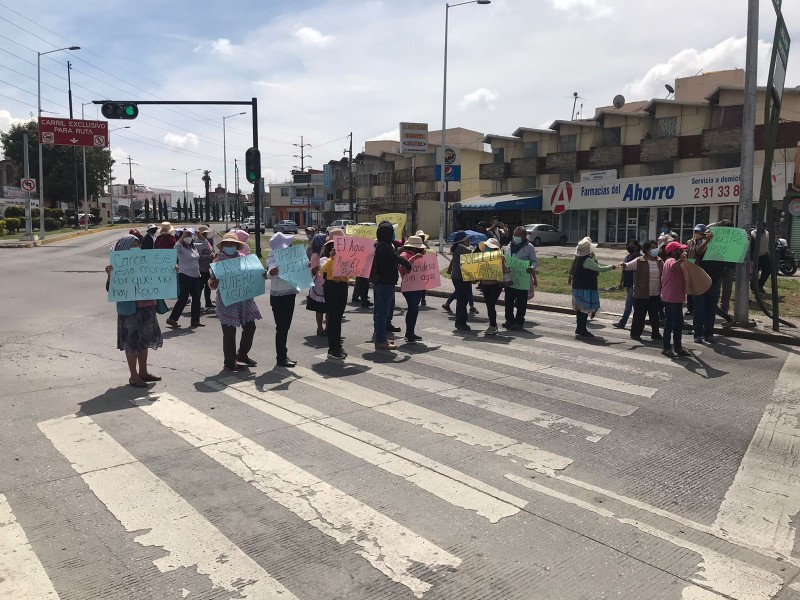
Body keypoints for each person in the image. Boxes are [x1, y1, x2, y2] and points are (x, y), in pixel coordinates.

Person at [106, 234, 165, 387]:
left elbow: (160, 278)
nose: (137, 247)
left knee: (145, 341)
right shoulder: (118, 266)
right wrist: (110, 276)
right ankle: (133, 376)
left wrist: (171, 271)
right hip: (130, 310)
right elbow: (110, 289)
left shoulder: (147, 262)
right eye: (133, 244)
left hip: (148, 306)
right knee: (132, 343)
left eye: (139, 244)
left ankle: (143, 372)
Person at [209, 232, 262, 371]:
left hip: (244, 299)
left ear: (237, 246)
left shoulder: (244, 258)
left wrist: (261, 275)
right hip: (227, 301)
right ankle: (229, 362)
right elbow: (211, 282)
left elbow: (253, 276)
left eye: (232, 244)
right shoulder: (218, 261)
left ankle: (242, 354)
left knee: (250, 327)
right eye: (227, 244)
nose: (230, 246)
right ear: (223, 246)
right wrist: (214, 283)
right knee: (229, 332)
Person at [371, 221, 412, 350]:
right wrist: (407, 264)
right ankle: (381, 340)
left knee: (379, 311)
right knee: (383, 312)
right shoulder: (385, 246)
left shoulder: (380, 245)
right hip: (385, 282)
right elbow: (396, 257)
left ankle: (381, 336)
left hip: (381, 282)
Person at [570, 237, 617, 338]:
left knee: (580, 310)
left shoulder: (579, 258)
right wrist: (611, 267)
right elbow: (599, 268)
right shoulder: (587, 260)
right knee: (584, 309)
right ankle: (583, 329)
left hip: (578, 286)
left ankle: (579, 328)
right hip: (585, 287)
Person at [266, 232, 300, 367]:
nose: (290, 245)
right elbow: (270, 271)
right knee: (282, 328)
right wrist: (273, 272)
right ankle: (281, 357)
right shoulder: (273, 257)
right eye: (287, 244)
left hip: (290, 294)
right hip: (279, 296)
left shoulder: (291, 256)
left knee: (285, 327)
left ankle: (283, 355)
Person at [620, 240, 663, 343]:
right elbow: (628, 266)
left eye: (656, 247)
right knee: (639, 315)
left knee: (654, 316)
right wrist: (622, 265)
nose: (656, 249)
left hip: (655, 293)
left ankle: (655, 333)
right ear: (647, 250)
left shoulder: (660, 261)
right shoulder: (639, 261)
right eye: (653, 247)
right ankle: (635, 333)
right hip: (641, 293)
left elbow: (666, 272)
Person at [166, 228, 203, 328]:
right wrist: (182, 236)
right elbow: (175, 247)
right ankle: (172, 319)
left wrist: (200, 235)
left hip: (195, 275)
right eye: (187, 236)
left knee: (196, 298)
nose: (188, 238)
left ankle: (195, 320)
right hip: (185, 275)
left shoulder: (193, 247)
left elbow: (206, 246)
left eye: (189, 236)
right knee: (183, 298)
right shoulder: (180, 247)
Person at [660, 241, 692, 358]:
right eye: (679, 250)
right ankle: (666, 347)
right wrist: (681, 259)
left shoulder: (679, 262)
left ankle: (678, 347)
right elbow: (673, 268)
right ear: (673, 251)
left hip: (678, 298)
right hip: (670, 298)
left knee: (679, 323)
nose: (682, 251)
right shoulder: (670, 261)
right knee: (670, 323)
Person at [503, 226, 538, 330]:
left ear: (524, 235)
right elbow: (506, 258)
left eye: (519, 235)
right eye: (515, 234)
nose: (516, 236)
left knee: (521, 303)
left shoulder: (529, 247)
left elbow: (534, 261)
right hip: (510, 277)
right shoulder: (509, 246)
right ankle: (509, 320)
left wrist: (532, 268)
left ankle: (519, 322)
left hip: (522, 279)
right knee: (508, 301)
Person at [321, 228, 349, 360]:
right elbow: (323, 271)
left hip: (342, 286)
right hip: (331, 287)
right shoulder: (325, 258)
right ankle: (332, 348)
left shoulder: (346, 256)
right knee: (333, 318)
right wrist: (332, 259)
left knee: (338, 318)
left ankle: (337, 345)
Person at [686, 224, 716, 343]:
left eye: (699, 232)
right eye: (695, 231)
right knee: (699, 308)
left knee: (711, 308)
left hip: (713, 278)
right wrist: (706, 241)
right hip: (698, 278)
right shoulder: (692, 243)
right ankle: (698, 333)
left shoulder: (714, 242)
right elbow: (697, 252)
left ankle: (709, 333)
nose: (697, 234)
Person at [398, 236, 428, 343]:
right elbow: (403, 269)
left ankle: (410, 332)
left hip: (418, 285)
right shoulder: (404, 255)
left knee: (414, 310)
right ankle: (409, 333)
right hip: (409, 286)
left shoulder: (419, 256)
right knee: (412, 309)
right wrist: (414, 258)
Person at [448, 230, 474, 331]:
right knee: (462, 301)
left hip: (459, 277)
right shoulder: (461, 249)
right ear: (463, 240)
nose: (468, 240)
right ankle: (460, 322)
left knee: (463, 300)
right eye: (467, 239)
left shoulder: (460, 248)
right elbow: (471, 258)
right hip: (460, 277)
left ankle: (461, 321)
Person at [478, 238, 505, 335]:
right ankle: (493, 325)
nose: (487, 248)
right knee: (489, 305)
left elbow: (504, 271)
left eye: (489, 247)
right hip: (485, 285)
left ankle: (493, 325)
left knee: (490, 305)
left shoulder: (500, 257)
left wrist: (502, 263)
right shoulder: (482, 257)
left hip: (495, 285)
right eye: (486, 246)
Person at [613, 239, 641, 329]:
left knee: (628, 304)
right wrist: (621, 281)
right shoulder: (627, 257)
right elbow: (624, 270)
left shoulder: (639, 258)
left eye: (632, 245)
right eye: (628, 245)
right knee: (634, 305)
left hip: (634, 283)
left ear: (637, 246)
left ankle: (622, 323)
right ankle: (638, 323)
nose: (629, 247)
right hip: (628, 283)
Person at [306, 232, 328, 335]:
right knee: (320, 309)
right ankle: (320, 328)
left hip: (327, 282)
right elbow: (312, 272)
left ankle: (328, 327)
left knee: (328, 308)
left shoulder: (326, 254)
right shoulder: (315, 255)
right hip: (319, 284)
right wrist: (319, 267)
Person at [196, 225, 216, 310]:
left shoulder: (206, 241)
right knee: (200, 287)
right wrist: (210, 256)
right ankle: (197, 304)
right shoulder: (198, 243)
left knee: (208, 286)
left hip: (207, 267)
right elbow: (198, 256)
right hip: (201, 268)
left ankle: (208, 302)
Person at [752, 228, 772, 293]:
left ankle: (760, 285)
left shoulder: (768, 234)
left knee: (768, 270)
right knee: (754, 272)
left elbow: (772, 243)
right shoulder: (752, 233)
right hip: (755, 256)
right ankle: (753, 286)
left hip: (764, 255)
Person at [415, 230, 431, 306]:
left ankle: (422, 298)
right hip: (417, 266)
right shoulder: (414, 245)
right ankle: (421, 298)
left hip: (423, 266)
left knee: (422, 282)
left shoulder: (426, 245)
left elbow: (430, 254)